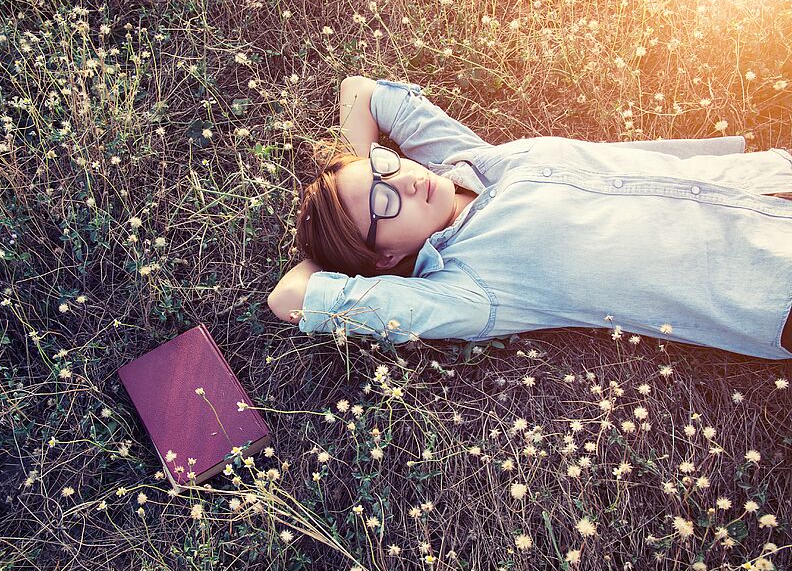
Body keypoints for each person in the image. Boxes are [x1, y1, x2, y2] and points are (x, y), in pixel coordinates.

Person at [268, 75, 792, 360]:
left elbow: (363, 92)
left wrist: (356, 176)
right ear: (386, 256)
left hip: (765, 183)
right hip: (769, 282)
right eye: (385, 204)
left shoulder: (461, 162)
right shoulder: (469, 290)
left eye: (386, 168)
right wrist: (340, 248)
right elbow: (290, 297)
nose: (402, 181)